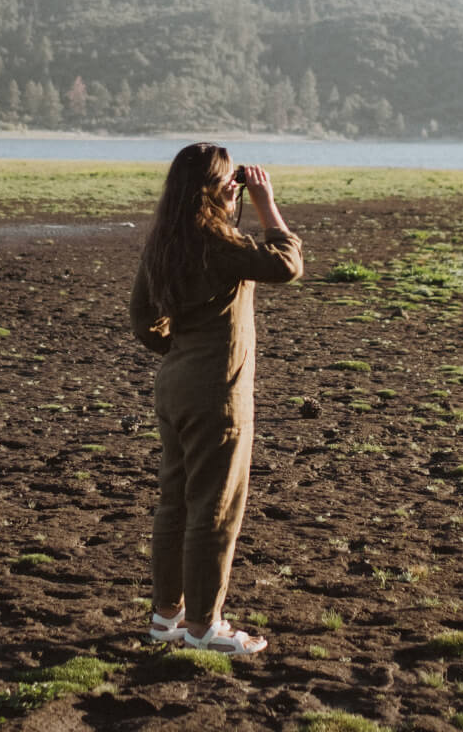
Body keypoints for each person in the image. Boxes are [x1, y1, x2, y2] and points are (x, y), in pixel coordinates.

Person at [129, 142, 303, 654]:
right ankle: (205, 626)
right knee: (215, 509)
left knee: (175, 503)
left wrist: (181, 347)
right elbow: (287, 263)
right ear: (215, 187)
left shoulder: (165, 240)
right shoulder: (218, 242)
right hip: (218, 395)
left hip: (175, 384)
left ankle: (166, 617)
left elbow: (143, 320)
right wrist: (267, 203)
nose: (238, 187)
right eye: (232, 181)